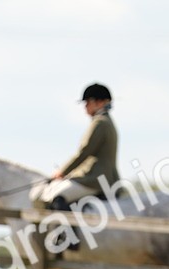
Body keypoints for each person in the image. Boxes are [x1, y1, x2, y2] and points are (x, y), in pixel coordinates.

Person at [34, 84, 120, 228]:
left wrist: (62, 172)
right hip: (104, 177)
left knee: (57, 196)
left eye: (87, 103)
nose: (85, 107)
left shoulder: (100, 123)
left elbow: (84, 153)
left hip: (95, 179)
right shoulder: (107, 122)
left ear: (98, 102)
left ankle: (66, 237)